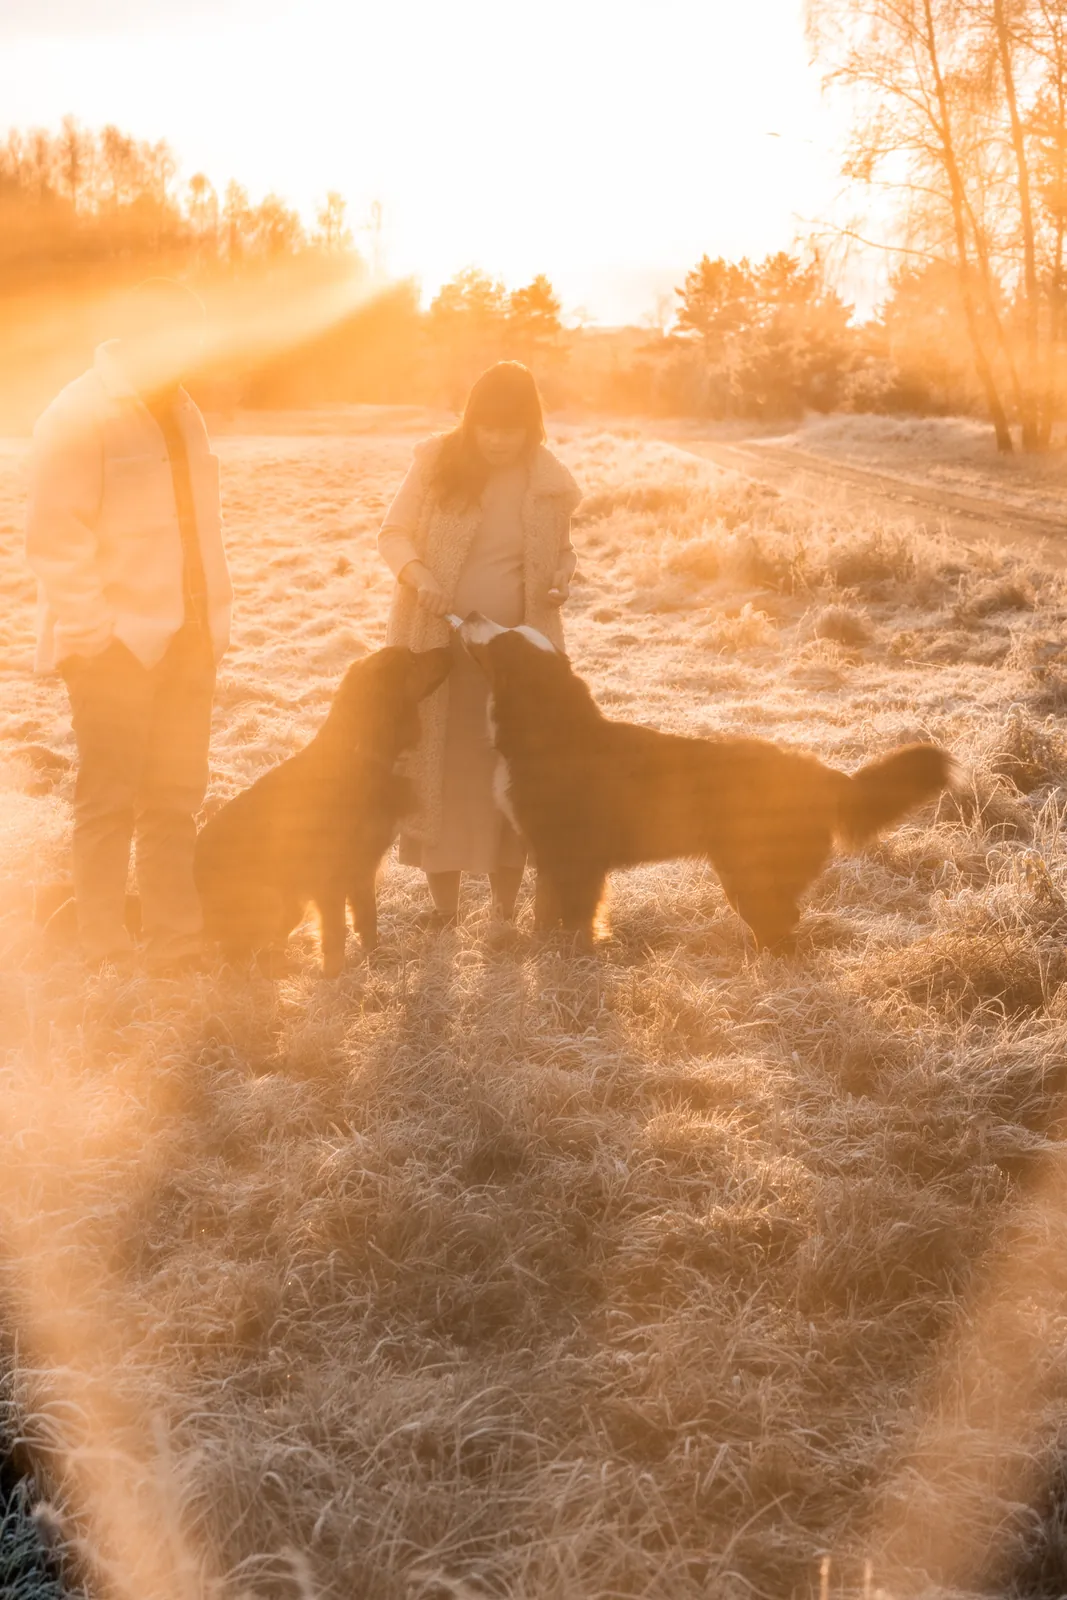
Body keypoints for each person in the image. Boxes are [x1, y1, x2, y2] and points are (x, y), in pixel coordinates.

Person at [25, 277, 232, 972]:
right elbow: (55, 538)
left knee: (175, 798)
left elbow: (199, 525)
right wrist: (95, 637)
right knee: (108, 800)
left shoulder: (182, 408)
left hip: (190, 638)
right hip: (113, 646)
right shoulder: (77, 412)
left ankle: (176, 940)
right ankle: (104, 946)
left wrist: (210, 631)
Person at [378, 361, 582, 926]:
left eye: (509, 428)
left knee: (513, 772)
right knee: (439, 769)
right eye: (486, 426)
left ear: (530, 426)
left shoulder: (547, 479)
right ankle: (443, 910)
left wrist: (563, 577)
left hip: (519, 659)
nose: (496, 438)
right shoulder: (437, 462)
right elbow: (391, 534)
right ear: (470, 422)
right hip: (439, 647)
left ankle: (503, 911)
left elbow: (564, 550)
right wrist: (421, 578)